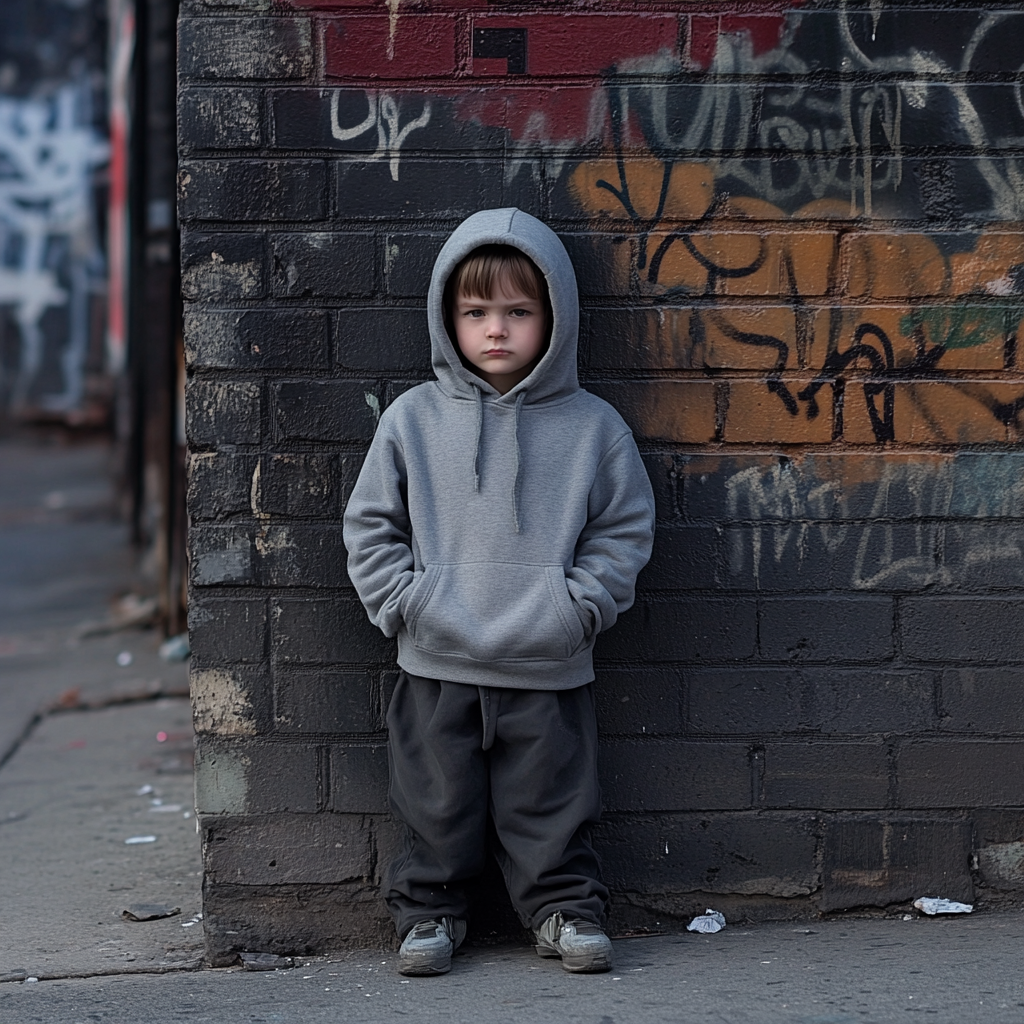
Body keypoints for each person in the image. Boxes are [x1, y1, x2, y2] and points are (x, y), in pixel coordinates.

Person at [343, 208, 655, 977]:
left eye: (518, 312)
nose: (496, 330)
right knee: (433, 804)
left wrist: (578, 608)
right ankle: (429, 917)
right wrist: (405, 604)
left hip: (547, 663)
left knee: (551, 806)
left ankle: (565, 912)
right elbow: (370, 525)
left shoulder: (594, 428)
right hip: (438, 659)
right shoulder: (412, 420)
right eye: (475, 311)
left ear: (554, 316)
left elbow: (623, 532)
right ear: (448, 316)